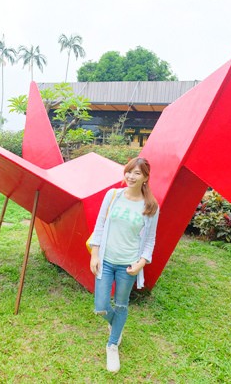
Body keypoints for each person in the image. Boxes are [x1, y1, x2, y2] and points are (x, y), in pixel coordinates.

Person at [88, 157, 159, 373]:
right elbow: (99, 226)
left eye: (137, 173)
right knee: (101, 306)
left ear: (145, 178)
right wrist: (95, 254)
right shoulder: (112, 196)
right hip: (106, 260)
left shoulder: (150, 206)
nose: (131, 176)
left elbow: (150, 241)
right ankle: (117, 325)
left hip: (128, 265)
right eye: (129, 171)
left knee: (121, 304)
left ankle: (112, 344)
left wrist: (141, 263)